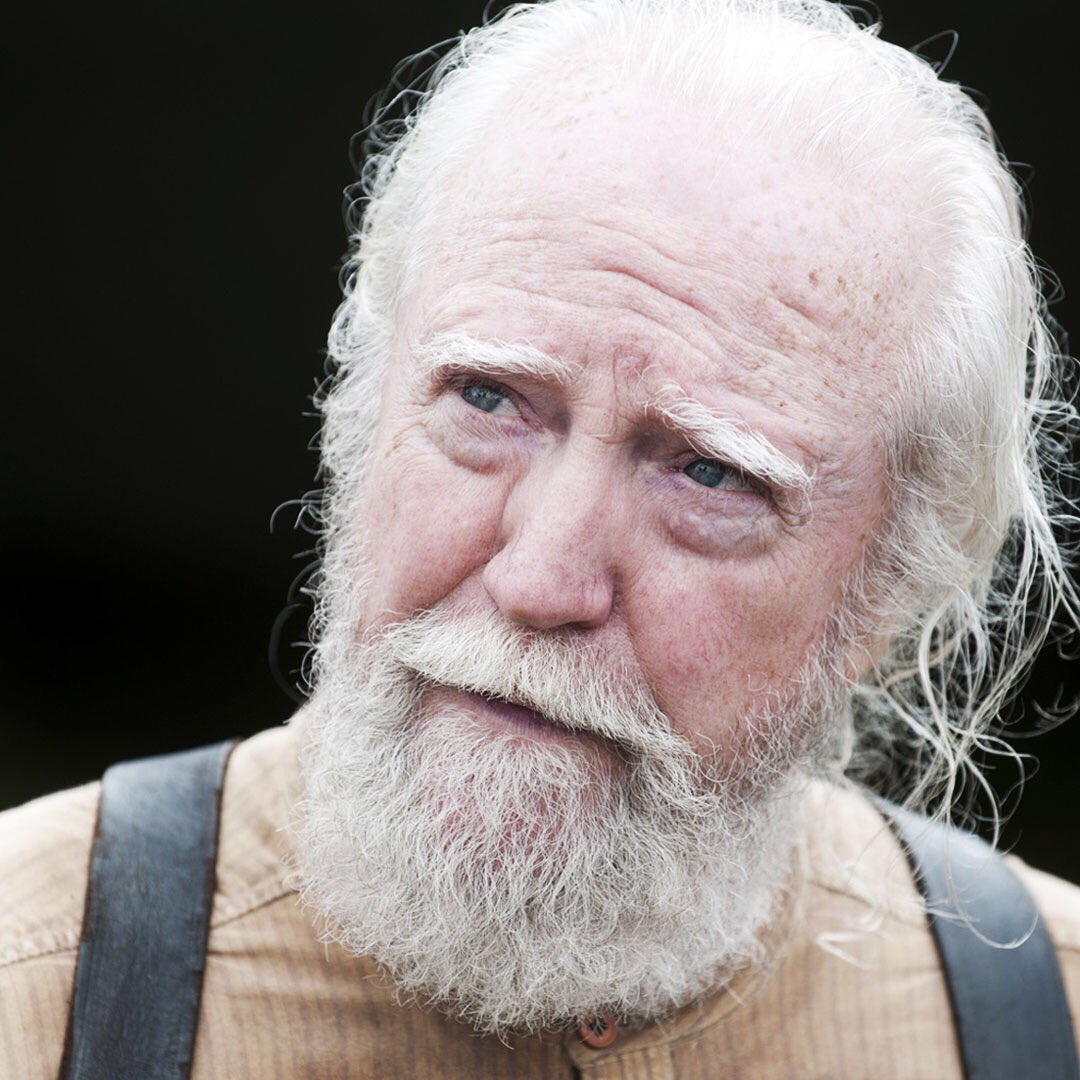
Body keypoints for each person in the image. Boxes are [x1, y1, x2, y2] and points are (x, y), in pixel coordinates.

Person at [3, 0, 1079, 1076]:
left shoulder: (1049, 1023)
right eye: (487, 399)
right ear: (362, 412)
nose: (540, 579)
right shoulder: (29, 982)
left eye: (710, 473)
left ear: (889, 585)